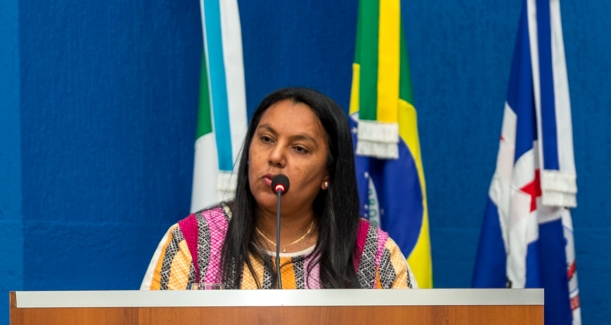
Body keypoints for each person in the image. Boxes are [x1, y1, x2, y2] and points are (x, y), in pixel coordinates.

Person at [141, 87, 416, 290]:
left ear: (328, 173)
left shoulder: (372, 252)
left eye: (299, 148)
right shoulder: (193, 242)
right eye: (266, 139)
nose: (275, 156)